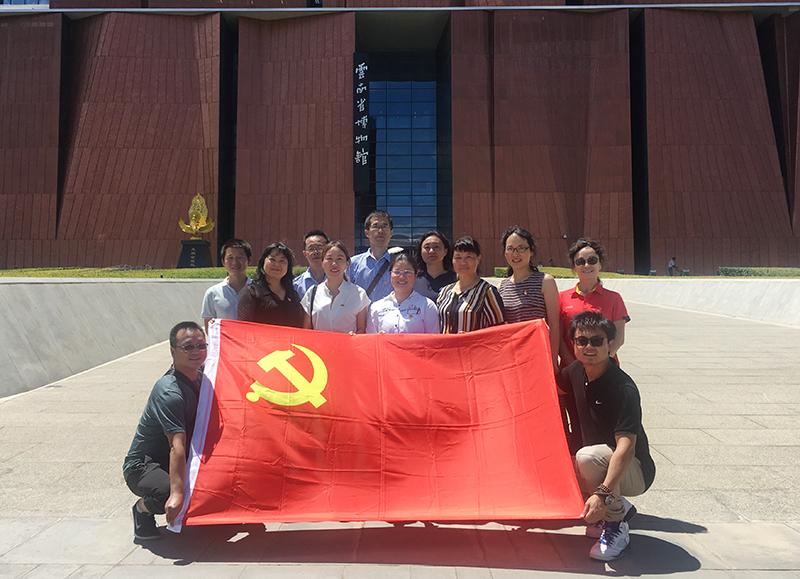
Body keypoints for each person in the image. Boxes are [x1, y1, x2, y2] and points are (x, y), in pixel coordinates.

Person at [558, 311, 655, 561]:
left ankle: (615, 526)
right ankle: (618, 505)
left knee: (588, 457)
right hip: (600, 462)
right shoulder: (574, 371)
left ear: (610, 345)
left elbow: (626, 448)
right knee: (555, 458)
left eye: (597, 341)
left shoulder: (623, 388)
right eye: (582, 341)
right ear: (573, 344)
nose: (589, 347)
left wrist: (601, 494)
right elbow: (546, 388)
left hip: (634, 470)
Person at [123, 321, 207, 540]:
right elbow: (176, 445)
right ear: (172, 350)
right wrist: (177, 493)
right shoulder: (169, 392)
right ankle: (142, 510)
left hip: (182, 455)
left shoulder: (202, 376)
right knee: (167, 493)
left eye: (201, 345)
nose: (196, 351)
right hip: (144, 465)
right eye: (188, 347)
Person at [559, 238, 629, 369]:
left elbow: (619, 338)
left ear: (600, 265)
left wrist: (601, 364)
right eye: (580, 262)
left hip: (606, 370)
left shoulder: (614, 298)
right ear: (574, 268)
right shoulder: (561, 298)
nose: (586, 265)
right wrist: (574, 367)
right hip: (571, 369)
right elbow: (559, 339)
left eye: (592, 260)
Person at [498, 226, 560, 368]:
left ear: (531, 251)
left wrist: (552, 359)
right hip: (511, 357)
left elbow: (554, 325)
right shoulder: (502, 286)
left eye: (521, 248)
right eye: (510, 249)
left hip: (538, 355)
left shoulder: (545, 281)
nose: (515, 254)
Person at [437, 236, 505, 333]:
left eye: (468, 257)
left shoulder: (487, 292)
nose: (463, 262)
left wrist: (471, 337)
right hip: (446, 343)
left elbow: (500, 330)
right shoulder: (444, 292)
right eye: (458, 258)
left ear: (478, 259)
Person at [302, 241, 370, 333]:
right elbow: (306, 330)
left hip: (347, 342)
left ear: (347, 263)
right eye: (329, 259)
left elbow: (361, 329)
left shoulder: (359, 293)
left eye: (339, 259)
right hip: (318, 342)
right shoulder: (312, 293)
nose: (334, 264)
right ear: (322, 263)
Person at [367, 252, 439, 334]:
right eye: (397, 272)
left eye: (407, 272)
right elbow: (370, 339)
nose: (402, 277)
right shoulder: (376, 307)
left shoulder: (427, 306)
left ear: (416, 275)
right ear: (390, 274)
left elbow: (434, 339)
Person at [237, 243, 304, 328]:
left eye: (282, 261)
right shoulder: (252, 292)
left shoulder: (292, 294)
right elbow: (244, 327)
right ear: (263, 262)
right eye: (272, 259)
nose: (277, 264)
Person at [201, 239, 252, 333]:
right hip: (225, 342)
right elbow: (210, 330)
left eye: (240, 257)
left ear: (249, 260)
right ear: (223, 262)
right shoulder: (212, 293)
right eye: (230, 258)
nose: (235, 262)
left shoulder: (258, 290)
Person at [347, 210, 394, 302]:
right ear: (367, 233)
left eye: (385, 226)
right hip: (362, 312)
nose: (380, 231)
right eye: (375, 226)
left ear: (391, 233)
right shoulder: (353, 263)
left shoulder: (398, 264)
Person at [413, 230, 457, 301]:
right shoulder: (413, 281)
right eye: (427, 247)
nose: (431, 251)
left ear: (445, 251)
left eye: (436, 247)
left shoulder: (456, 280)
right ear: (421, 252)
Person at [293, 229, 329, 295]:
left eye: (319, 248)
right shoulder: (296, 285)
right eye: (311, 249)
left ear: (328, 250)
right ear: (305, 254)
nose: (315, 252)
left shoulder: (339, 282)